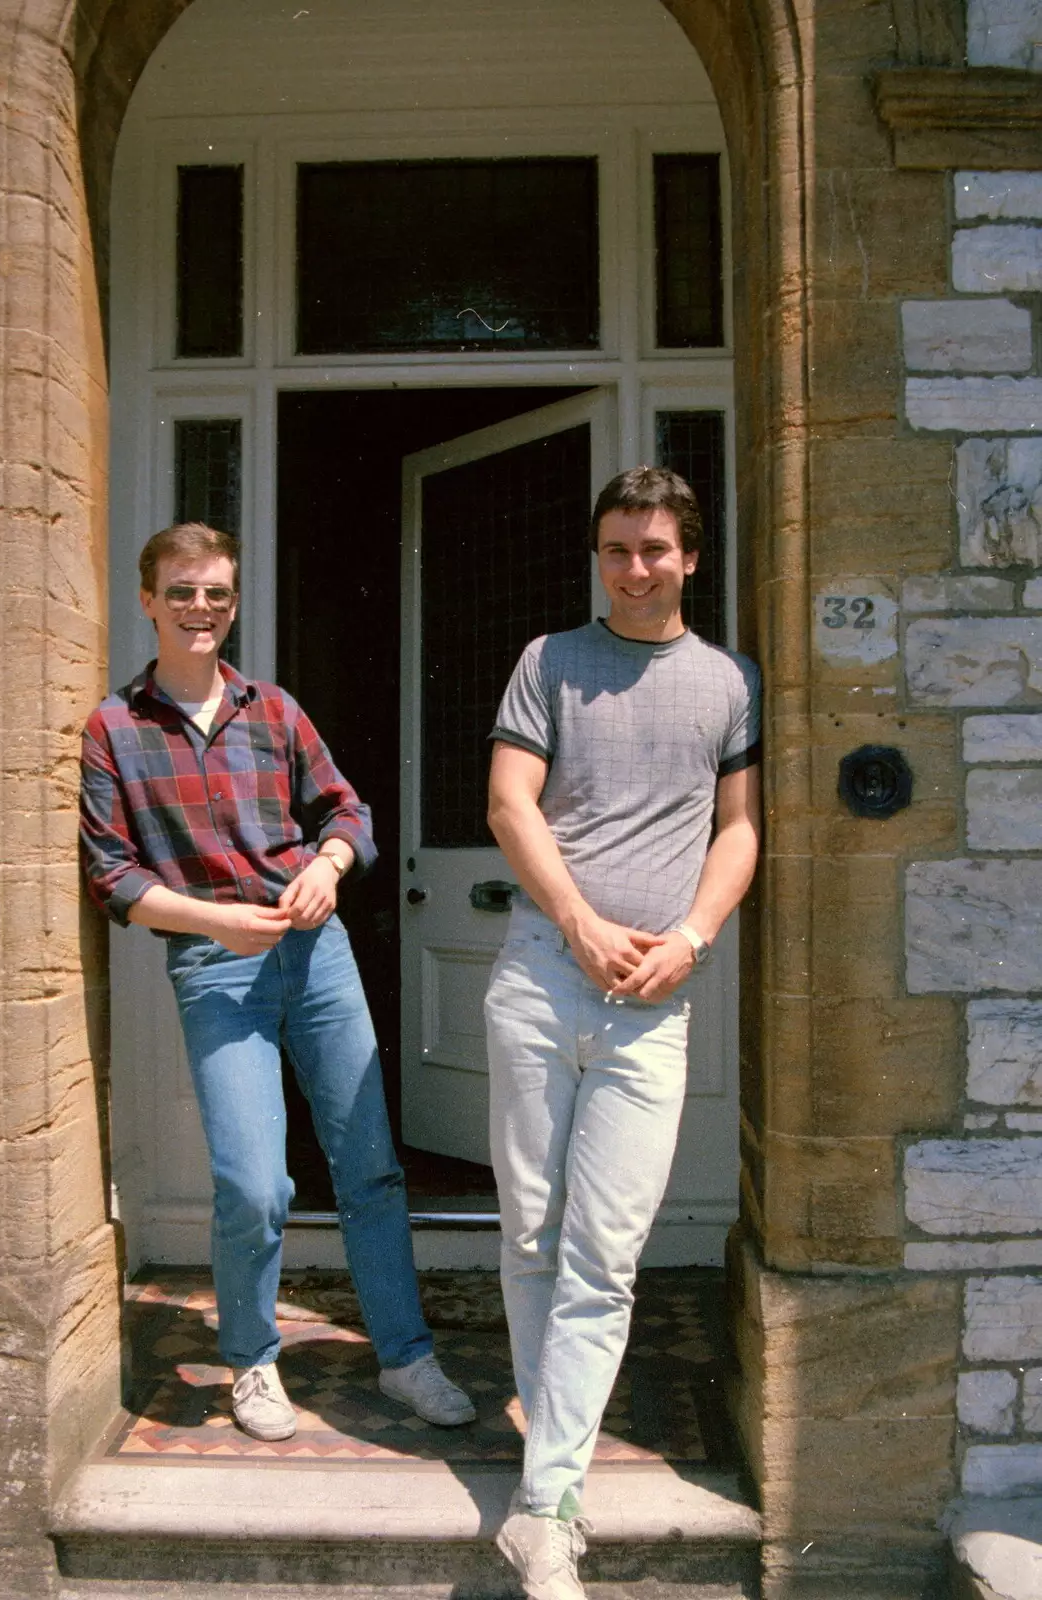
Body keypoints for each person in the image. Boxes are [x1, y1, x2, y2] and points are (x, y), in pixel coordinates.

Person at [79, 521, 475, 1442]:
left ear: (233, 600)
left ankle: (407, 1358)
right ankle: (253, 1365)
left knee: (369, 1168)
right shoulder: (114, 729)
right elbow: (113, 875)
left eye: (216, 592)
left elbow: (346, 808)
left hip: (317, 952)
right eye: (181, 591)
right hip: (217, 964)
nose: (200, 609)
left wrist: (329, 867)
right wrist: (216, 920)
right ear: (148, 600)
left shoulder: (274, 709)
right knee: (254, 1183)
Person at [484, 467, 761, 1599]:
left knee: (603, 1258)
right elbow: (509, 804)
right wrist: (581, 922)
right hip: (545, 978)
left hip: (656, 1000)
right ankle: (553, 1488)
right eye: (613, 550)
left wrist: (689, 938)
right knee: (534, 1233)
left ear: (689, 556)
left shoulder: (727, 681)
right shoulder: (548, 661)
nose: (631, 569)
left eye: (651, 549)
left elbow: (738, 831)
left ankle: (542, 1506)